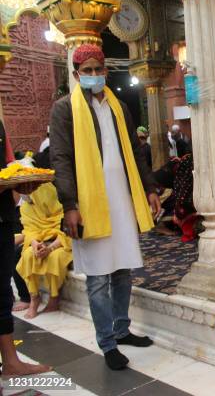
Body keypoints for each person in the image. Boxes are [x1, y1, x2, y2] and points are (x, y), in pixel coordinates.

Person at [49, 44, 161, 371]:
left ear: (106, 72)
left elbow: (137, 155)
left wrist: (150, 188)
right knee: (98, 277)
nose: (95, 76)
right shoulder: (65, 109)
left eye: (100, 70)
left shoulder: (119, 107)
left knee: (123, 269)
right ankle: (107, 342)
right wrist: (70, 204)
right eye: (88, 71)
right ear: (76, 74)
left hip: (121, 200)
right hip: (89, 204)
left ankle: (122, 329)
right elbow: (61, 159)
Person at [0, 119, 51, 376]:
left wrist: (21, 184)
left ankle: (11, 362)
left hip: (2, 217)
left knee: (2, 295)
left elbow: (8, 168)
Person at [16, 179, 72, 320]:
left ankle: (54, 297)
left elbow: (67, 232)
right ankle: (34, 297)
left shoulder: (60, 205)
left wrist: (50, 248)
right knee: (28, 255)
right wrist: (35, 244)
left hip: (62, 243)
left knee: (55, 258)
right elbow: (29, 229)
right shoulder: (27, 207)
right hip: (41, 242)